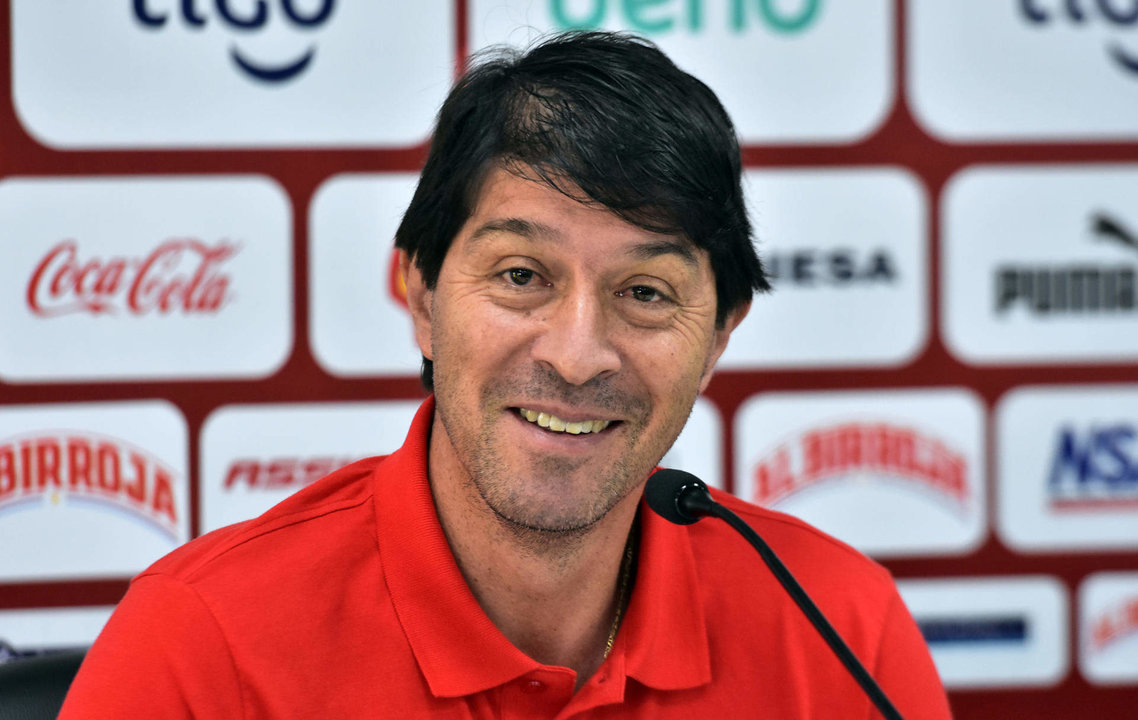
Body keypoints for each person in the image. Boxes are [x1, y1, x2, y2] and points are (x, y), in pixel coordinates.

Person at [59, 32, 952, 719]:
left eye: (645, 292)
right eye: (522, 276)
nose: (574, 353)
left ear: (718, 337)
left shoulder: (842, 630)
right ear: (419, 290)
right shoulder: (201, 642)